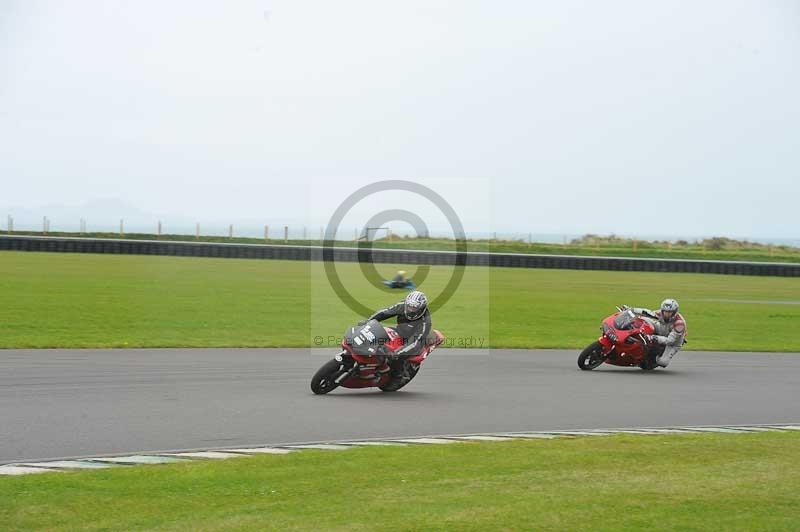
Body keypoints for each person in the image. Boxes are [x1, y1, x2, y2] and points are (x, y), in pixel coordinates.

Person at [362, 291, 436, 377]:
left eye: (414, 308)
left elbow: (415, 343)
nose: (411, 310)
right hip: (399, 331)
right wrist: (368, 321)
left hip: (412, 340)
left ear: (421, 309)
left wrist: (397, 353)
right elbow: (385, 312)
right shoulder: (402, 305)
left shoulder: (425, 322)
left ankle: (397, 375)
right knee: (378, 334)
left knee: (397, 358)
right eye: (409, 306)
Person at [624, 299, 687, 368]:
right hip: (662, 329)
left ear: (674, 312)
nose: (666, 314)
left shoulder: (679, 324)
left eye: (669, 312)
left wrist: (653, 337)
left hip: (673, 342)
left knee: (663, 362)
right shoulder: (661, 313)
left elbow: (670, 340)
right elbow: (647, 312)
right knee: (643, 318)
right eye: (665, 311)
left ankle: (653, 357)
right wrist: (630, 310)